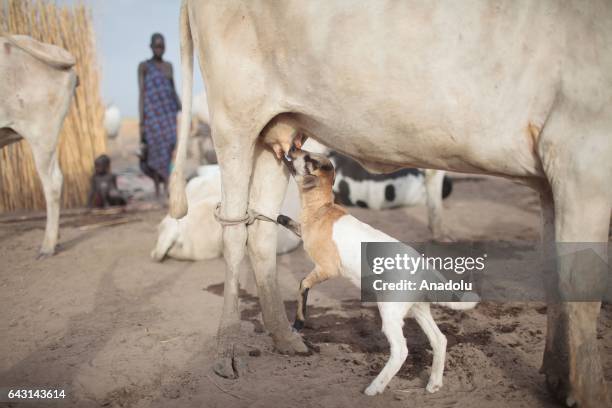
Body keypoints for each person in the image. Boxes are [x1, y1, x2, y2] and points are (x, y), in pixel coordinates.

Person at [138, 33, 181, 197]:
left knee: (170, 147)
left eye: (162, 46)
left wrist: (182, 108)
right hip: (153, 117)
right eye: (156, 46)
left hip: (168, 115)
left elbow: (173, 88)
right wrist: (141, 122)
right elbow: (141, 93)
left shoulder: (169, 66)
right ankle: (158, 190)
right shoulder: (144, 66)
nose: (159, 49)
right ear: (150, 47)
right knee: (155, 151)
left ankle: (166, 188)